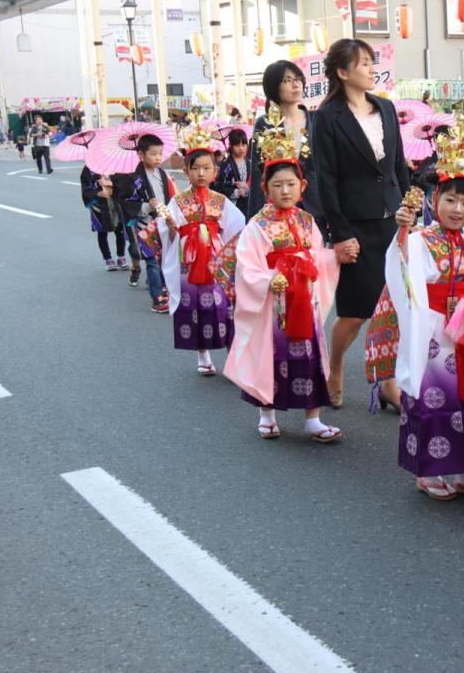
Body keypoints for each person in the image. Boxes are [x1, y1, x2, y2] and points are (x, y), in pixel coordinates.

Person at [377, 126, 464, 499]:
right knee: (433, 397)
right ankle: (429, 471)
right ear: (435, 199)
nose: (457, 209)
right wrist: (402, 232)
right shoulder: (421, 239)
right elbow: (402, 268)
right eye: (450, 200)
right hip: (434, 331)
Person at [223, 122, 343, 443]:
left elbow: (317, 255)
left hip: (303, 298)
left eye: (291, 184)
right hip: (274, 300)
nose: (285, 190)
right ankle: (267, 414)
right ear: (266, 187)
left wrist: (331, 259)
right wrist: (267, 279)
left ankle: (313, 418)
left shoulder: (306, 220)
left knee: (309, 357)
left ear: (302, 186)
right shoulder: (257, 224)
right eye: (278, 185)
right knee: (272, 356)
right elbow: (247, 265)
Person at [313, 38, 406, 411]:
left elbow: (397, 167)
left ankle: (388, 383)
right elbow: (326, 180)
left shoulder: (386, 108)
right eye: (363, 63)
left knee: (395, 308)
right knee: (354, 313)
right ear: (342, 72)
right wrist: (339, 235)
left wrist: (409, 211)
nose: (371, 69)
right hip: (355, 227)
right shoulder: (327, 117)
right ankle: (334, 368)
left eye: (371, 62)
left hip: (392, 222)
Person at [157, 133, 246, 376]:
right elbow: (166, 232)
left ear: (215, 171)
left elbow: (237, 227)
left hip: (216, 260)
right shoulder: (178, 201)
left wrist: (230, 255)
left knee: (224, 306)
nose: (201, 173)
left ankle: (233, 356)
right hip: (189, 260)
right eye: (195, 168)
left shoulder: (220, 200)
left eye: (206, 168)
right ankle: (203, 353)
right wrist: (171, 228)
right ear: (186, 170)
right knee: (194, 306)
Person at [247, 61, 320, 219]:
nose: (296, 85)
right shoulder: (264, 124)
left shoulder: (317, 120)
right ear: (274, 86)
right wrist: (253, 218)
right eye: (287, 80)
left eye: (298, 79)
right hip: (276, 208)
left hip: (315, 207)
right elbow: (257, 172)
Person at [114, 133, 174, 311]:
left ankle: (163, 288)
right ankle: (157, 297)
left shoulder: (162, 173)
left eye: (160, 153)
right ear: (141, 154)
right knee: (152, 260)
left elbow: (169, 197)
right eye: (153, 154)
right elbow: (126, 201)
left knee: (164, 258)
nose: (158, 157)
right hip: (144, 225)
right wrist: (147, 205)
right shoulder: (133, 177)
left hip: (162, 222)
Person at [81, 166, 128, 271]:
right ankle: (108, 258)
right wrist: (98, 190)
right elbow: (85, 185)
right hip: (98, 204)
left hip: (115, 202)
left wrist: (112, 185)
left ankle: (121, 256)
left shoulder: (115, 165)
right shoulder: (89, 168)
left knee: (120, 230)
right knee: (102, 232)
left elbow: (124, 182)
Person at [214, 128, 252, 217]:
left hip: (245, 205)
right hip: (231, 206)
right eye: (237, 145)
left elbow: (253, 183)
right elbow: (219, 186)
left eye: (244, 144)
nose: (241, 148)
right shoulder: (227, 164)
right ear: (231, 145)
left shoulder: (249, 162)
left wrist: (246, 186)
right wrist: (236, 192)